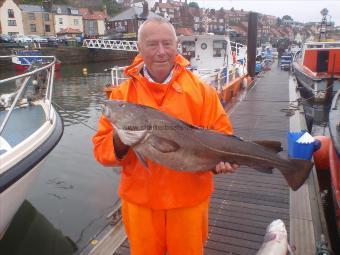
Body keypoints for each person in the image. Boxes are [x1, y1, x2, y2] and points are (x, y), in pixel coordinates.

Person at [92, 17, 239, 255]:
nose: (161, 52)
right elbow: (100, 151)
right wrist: (120, 140)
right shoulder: (121, 96)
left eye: (167, 43)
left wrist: (217, 164)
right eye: (152, 44)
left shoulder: (202, 92)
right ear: (140, 48)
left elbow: (222, 135)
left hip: (189, 202)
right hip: (140, 205)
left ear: (176, 45)